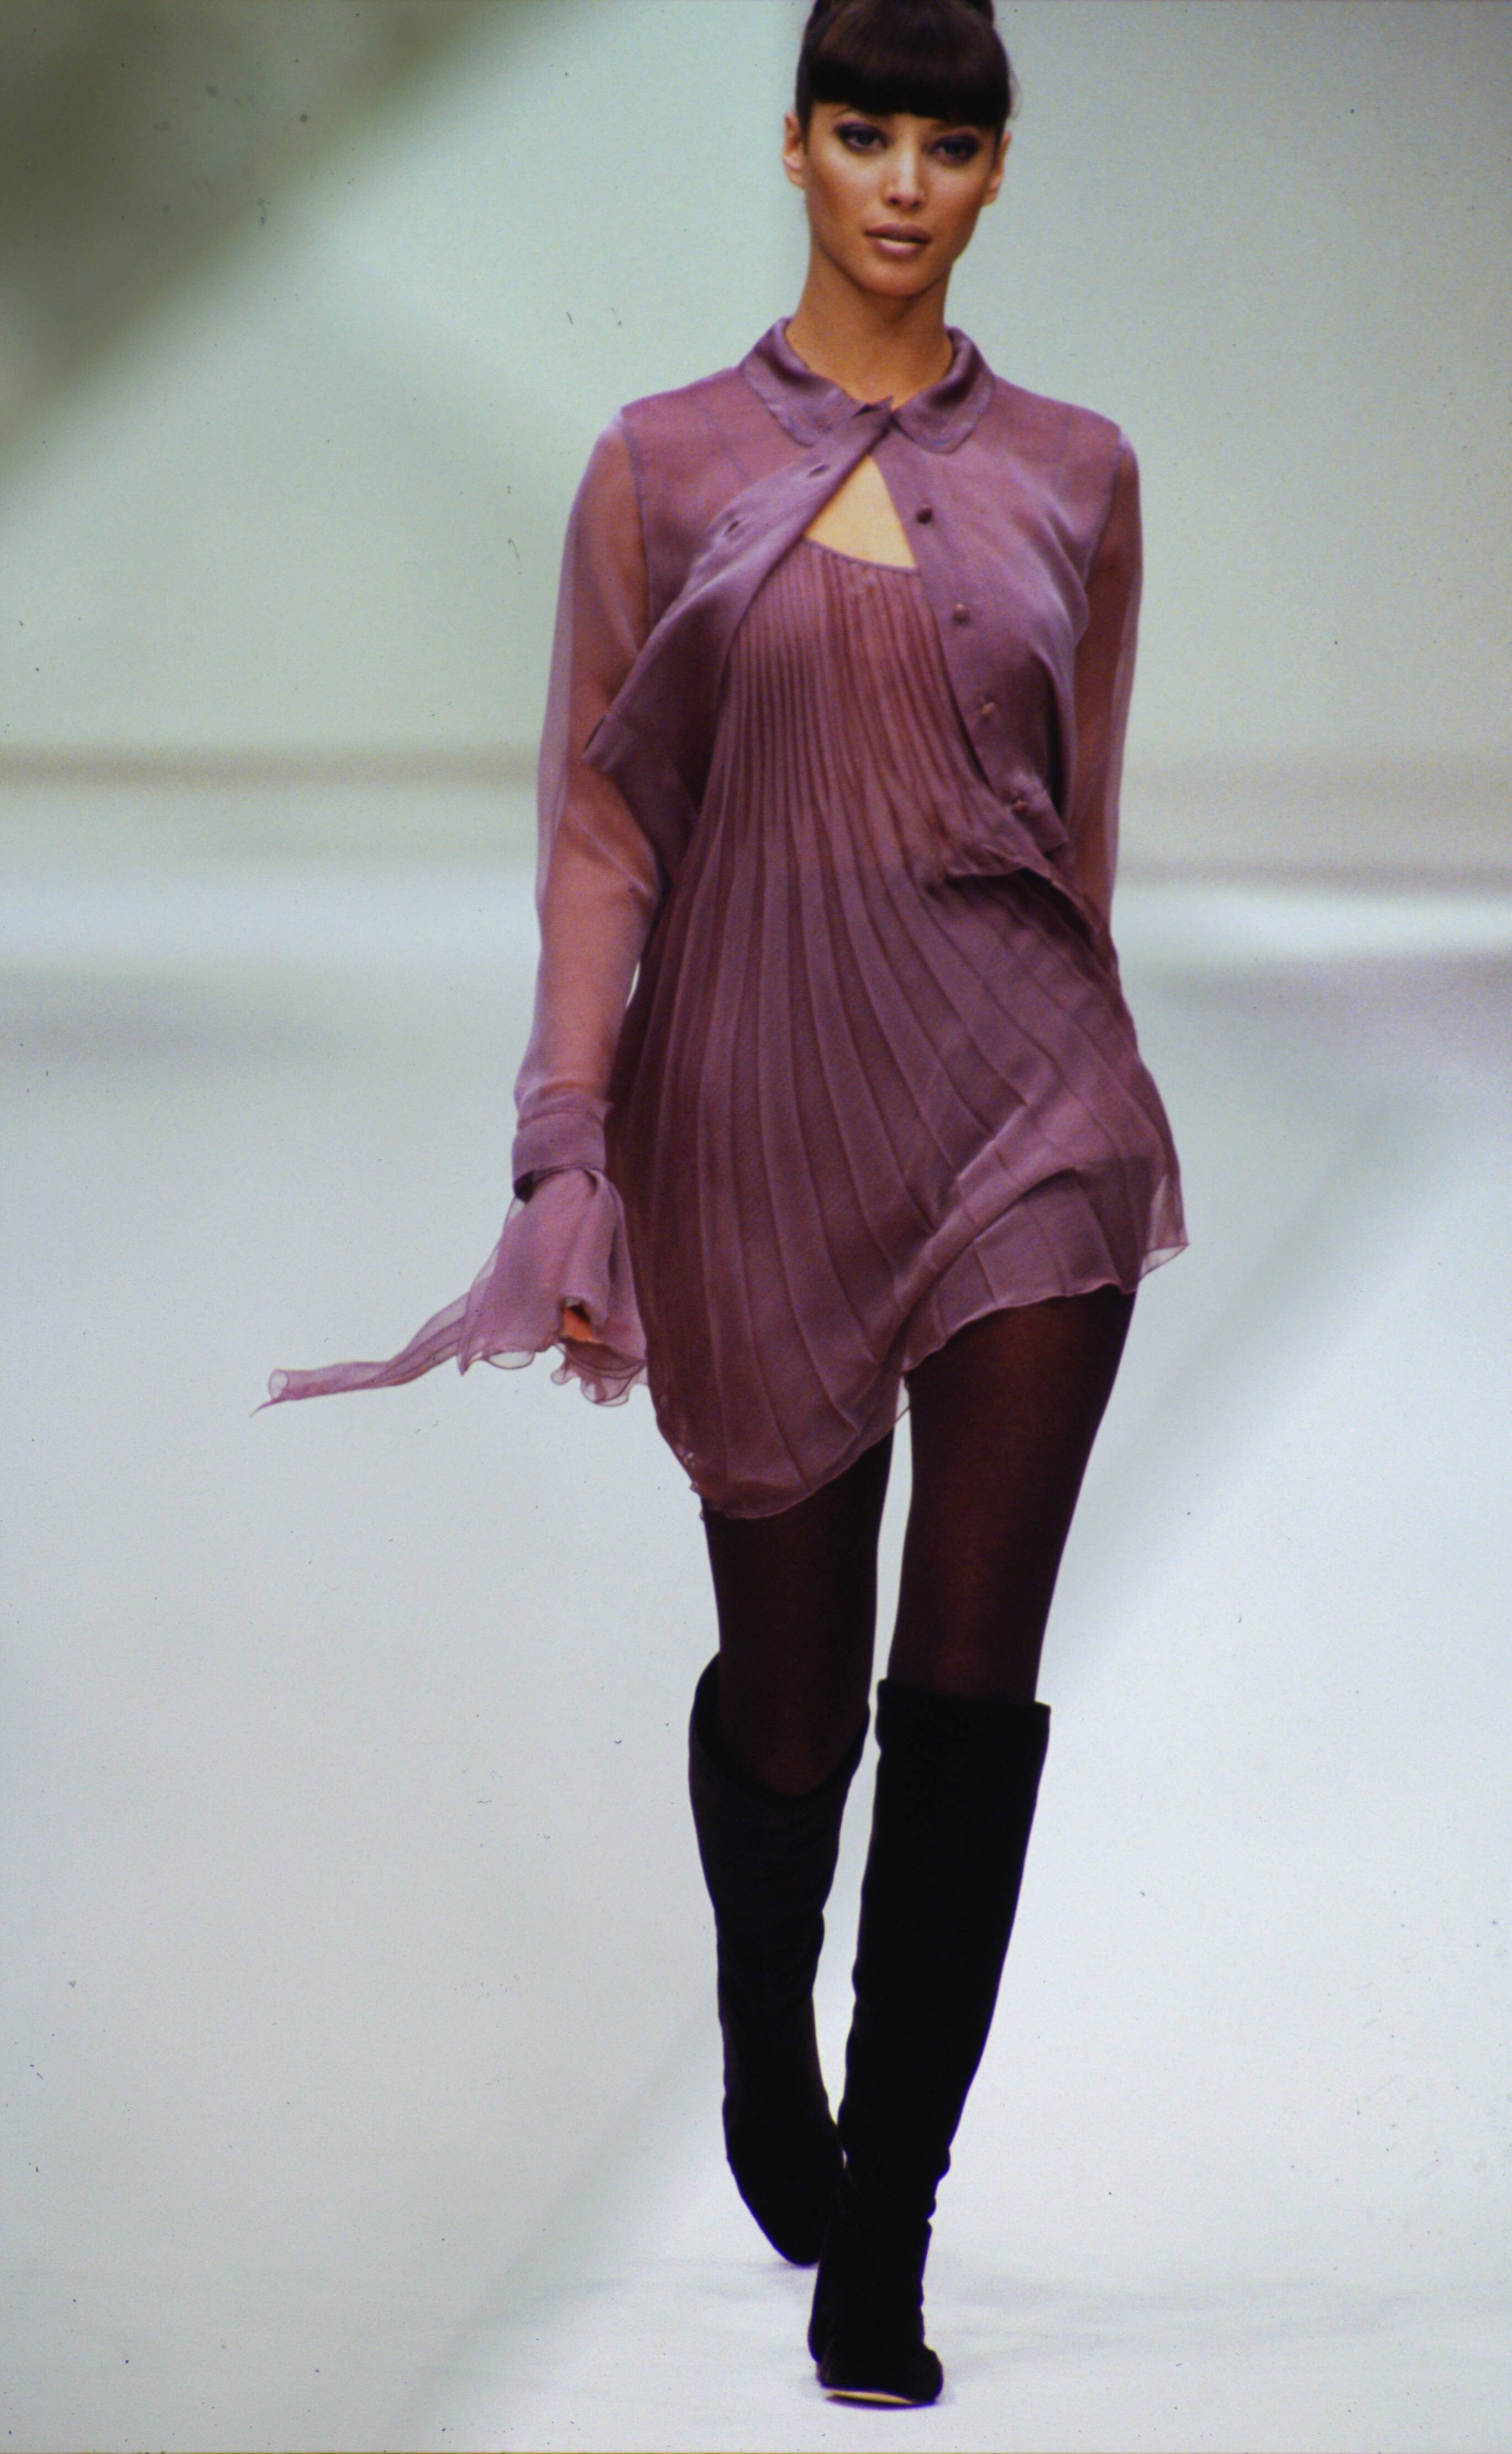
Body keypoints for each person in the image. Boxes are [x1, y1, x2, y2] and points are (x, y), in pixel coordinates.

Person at [266, 0, 1185, 2409]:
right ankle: (767, 2018)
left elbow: (1076, 834)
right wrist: (566, 1150)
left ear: (996, 176)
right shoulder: (658, 465)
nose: (901, 179)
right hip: (751, 1120)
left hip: (1029, 1108)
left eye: (947, 144)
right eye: (862, 131)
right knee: (795, 1707)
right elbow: (603, 832)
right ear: (793, 149)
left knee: (964, 1682)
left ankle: (888, 2226)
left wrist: (1087, 1068)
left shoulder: (1079, 473)